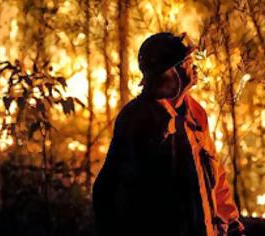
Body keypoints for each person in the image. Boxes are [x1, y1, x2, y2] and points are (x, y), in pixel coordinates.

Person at [92, 32, 245, 236]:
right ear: (168, 74)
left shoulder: (196, 114)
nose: (194, 67)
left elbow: (217, 181)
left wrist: (233, 225)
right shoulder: (136, 119)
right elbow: (110, 193)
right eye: (186, 62)